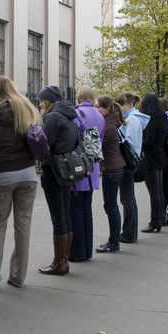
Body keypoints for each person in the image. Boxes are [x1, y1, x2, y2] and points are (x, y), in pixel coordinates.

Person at [0, 76, 41, 289]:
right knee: (23, 225)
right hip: (27, 174)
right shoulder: (26, 107)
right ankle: (18, 276)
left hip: (2, 175)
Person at [37, 85, 78, 275]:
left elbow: (44, 145)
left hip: (53, 171)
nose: (39, 104)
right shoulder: (70, 116)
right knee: (66, 216)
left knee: (58, 218)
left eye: (41, 100)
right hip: (66, 170)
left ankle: (59, 263)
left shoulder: (52, 117)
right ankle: (64, 260)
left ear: (48, 101)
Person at [69, 87, 105, 262]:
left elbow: (73, 140)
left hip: (79, 168)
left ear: (79, 98)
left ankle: (77, 251)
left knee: (75, 209)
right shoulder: (99, 116)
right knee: (86, 209)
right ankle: (87, 250)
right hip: (93, 168)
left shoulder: (77, 114)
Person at [115, 93, 149, 243]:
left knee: (127, 198)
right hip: (131, 162)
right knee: (128, 198)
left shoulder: (133, 120)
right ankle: (130, 232)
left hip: (128, 163)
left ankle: (129, 233)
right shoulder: (134, 119)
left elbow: (128, 142)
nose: (119, 109)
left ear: (128, 104)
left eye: (120, 105)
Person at [94, 96, 125, 253]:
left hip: (112, 169)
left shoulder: (108, 126)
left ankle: (113, 242)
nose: (96, 109)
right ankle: (114, 240)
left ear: (106, 108)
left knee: (110, 206)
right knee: (111, 205)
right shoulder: (111, 123)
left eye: (98, 106)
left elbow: (96, 145)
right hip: (114, 167)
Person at [140, 94, 168, 232]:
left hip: (151, 158)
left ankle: (155, 220)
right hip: (161, 156)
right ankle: (161, 217)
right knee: (159, 189)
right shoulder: (163, 118)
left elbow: (149, 141)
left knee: (154, 191)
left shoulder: (151, 120)